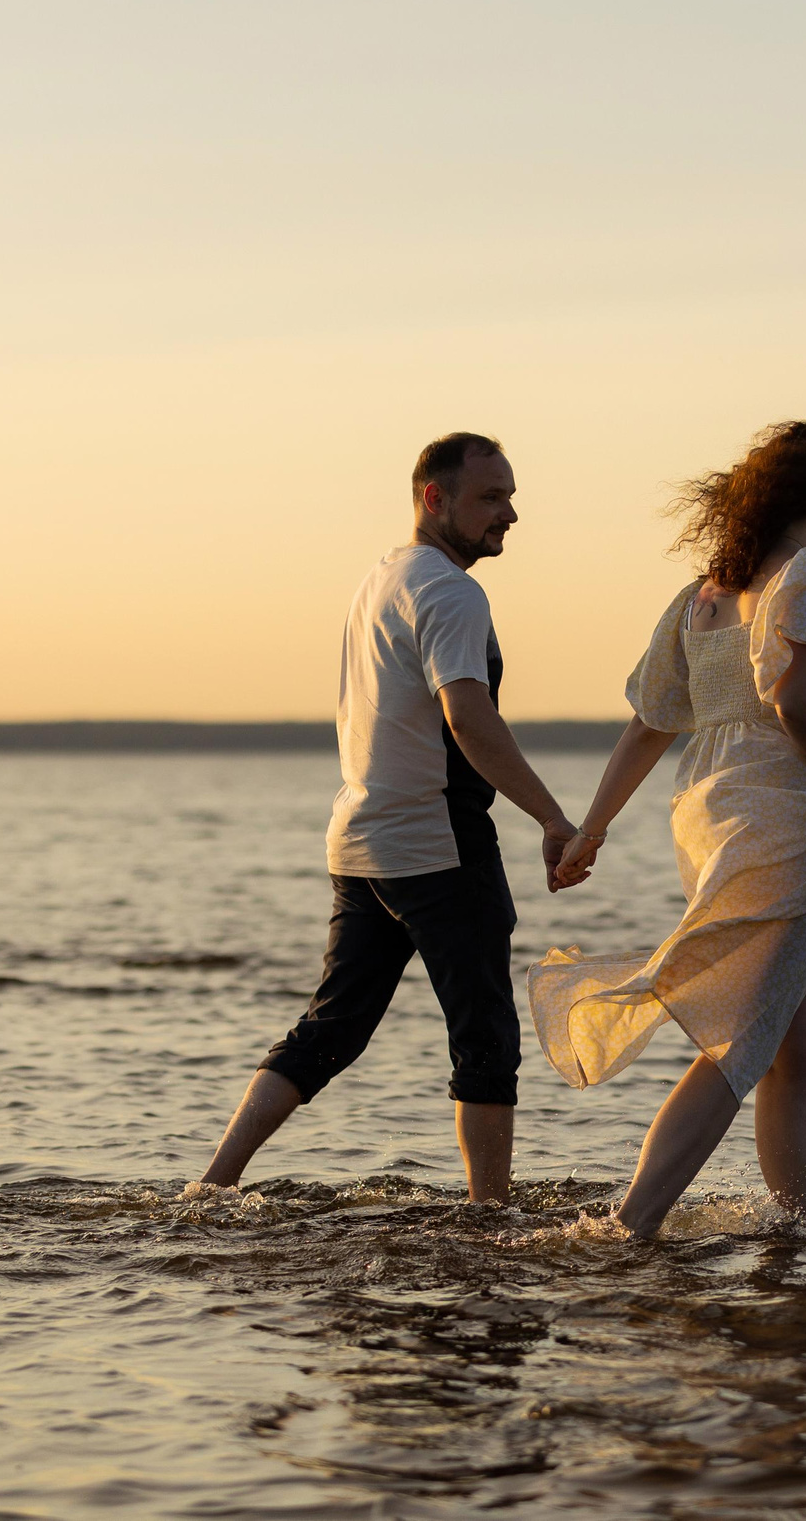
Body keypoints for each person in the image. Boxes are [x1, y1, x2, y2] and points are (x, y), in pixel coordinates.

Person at [184, 432, 582, 1205]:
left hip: (363, 841)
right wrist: (553, 817)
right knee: (487, 1037)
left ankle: (212, 1184)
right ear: (434, 498)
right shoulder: (452, 592)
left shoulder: (382, 578)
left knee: (330, 1028)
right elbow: (467, 719)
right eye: (491, 497)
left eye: (510, 495)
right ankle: (488, 1214)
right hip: (438, 845)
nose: (510, 513)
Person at [531, 421, 806, 1239]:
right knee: (738, 1041)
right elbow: (795, 702)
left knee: (788, 1043)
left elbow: (650, 724)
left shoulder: (704, 596)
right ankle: (633, 1223)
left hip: (706, 818)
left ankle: (797, 1222)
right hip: (781, 816)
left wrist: (593, 830)